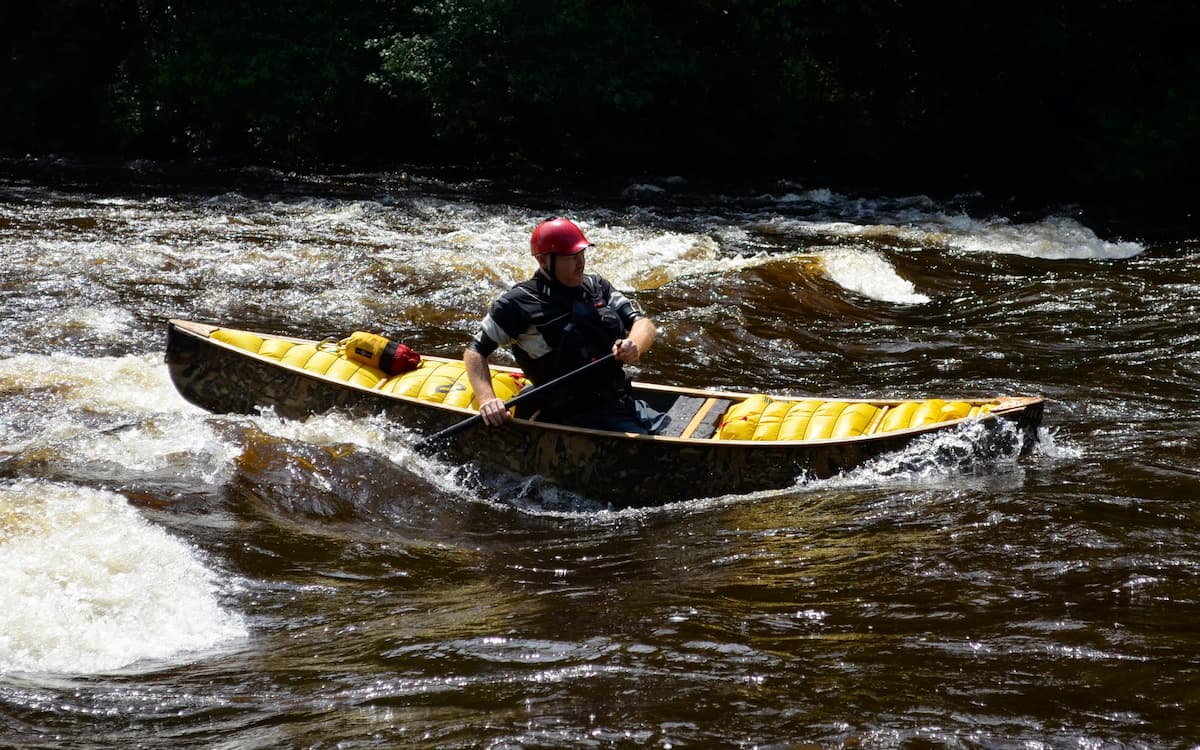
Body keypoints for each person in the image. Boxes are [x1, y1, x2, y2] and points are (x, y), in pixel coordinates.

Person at [463, 217, 668, 434]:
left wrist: (634, 345)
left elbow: (642, 323)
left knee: (668, 428)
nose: (581, 263)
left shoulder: (596, 286)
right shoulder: (518, 303)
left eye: (582, 254)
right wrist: (487, 399)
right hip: (570, 414)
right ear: (543, 261)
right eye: (571, 257)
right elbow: (475, 351)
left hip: (618, 401)